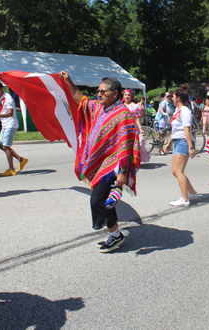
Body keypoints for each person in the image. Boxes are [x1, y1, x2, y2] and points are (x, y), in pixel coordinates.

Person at [60, 71, 141, 253]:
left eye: (104, 91)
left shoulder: (123, 115)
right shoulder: (98, 107)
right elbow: (80, 99)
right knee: (104, 201)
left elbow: (126, 146)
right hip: (100, 165)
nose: (99, 94)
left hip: (112, 168)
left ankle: (116, 235)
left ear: (115, 94)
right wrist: (68, 80)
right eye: (98, 91)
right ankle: (115, 234)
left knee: (97, 201)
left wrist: (122, 172)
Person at [164, 85, 197, 207]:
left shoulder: (185, 111)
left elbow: (187, 130)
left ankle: (185, 199)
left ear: (178, 98)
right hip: (177, 141)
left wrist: (191, 148)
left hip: (184, 142)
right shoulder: (177, 111)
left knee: (179, 171)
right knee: (174, 171)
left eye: (172, 96)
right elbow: (175, 130)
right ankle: (192, 193)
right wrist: (169, 143)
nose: (171, 98)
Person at [0, 82, 29, 176]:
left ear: (1, 89)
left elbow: (10, 113)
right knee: (1, 146)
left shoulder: (8, 98)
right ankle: (21, 159)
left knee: (6, 146)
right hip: (4, 124)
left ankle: (11, 169)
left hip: (11, 124)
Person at [123, 89, 150, 162]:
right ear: (123, 96)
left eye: (129, 95)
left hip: (132, 128)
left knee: (135, 144)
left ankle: (134, 160)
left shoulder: (134, 106)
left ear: (131, 96)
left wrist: (140, 129)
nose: (127, 96)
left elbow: (136, 118)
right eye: (125, 95)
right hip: (123, 128)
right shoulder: (121, 105)